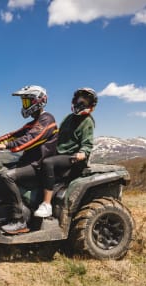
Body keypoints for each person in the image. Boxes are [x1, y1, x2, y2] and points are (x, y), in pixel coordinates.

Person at [0, 85, 58, 234]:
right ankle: (3, 208)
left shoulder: (47, 120)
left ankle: (19, 220)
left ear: (38, 101)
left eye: (27, 102)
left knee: (6, 176)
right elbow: (14, 134)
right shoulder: (33, 123)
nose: (24, 106)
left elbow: (30, 139)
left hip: (38, 165)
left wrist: (5, 146)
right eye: (23, 103)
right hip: (28, 162)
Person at [34, 87, 97, 218]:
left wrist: (82, 153)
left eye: (84, 103)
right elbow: (58, 135)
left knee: (47, 163)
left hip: (73, 158)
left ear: (90, 105)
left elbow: (87, 143)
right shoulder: (69, 118)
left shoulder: (87, 122)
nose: (80, 105)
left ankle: (46, 205)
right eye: (79, 101)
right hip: (61, 154)